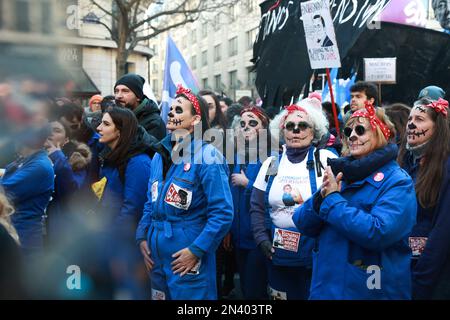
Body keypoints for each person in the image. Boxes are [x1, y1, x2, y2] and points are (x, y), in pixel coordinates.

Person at [293, 101, 416, 299]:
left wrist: (332, 200)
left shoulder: (398, 182)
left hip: (368, 289)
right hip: (325, 287)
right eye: (348, 130)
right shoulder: (341, 173)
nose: (352, 136)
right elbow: (302, 222)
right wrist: (320, 197)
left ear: (381, 134)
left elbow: (378, 233)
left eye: (360, 130)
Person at [136, 85, 234, 300]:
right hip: (156, 255)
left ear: (196, 120)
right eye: (170, 109)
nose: (171, 113)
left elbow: (223, 213)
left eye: (179, 110)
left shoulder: (208, 157)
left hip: (186, 252)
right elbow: (150, 201)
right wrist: (142, 237)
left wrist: (197, 250)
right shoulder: (159, 156)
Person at [250, 96, 337, 300]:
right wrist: (261, 238)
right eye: (290, 126)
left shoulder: (327, 160)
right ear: (283, 132)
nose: (296, 131)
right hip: (278, 257)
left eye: (302, 125)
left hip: (317, 256)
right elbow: (256, 205)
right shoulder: (271, 163)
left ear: (313, 131)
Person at [95, 106, 155, 299]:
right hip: (111, 240)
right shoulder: (111, 158)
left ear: (119, 131)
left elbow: (132, 209)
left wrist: (111, 241)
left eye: (105, 124)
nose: (98, 128)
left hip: (128, 245)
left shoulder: (138, 162)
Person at [398, 97, 450, 299]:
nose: (411, 123)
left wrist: (420, 281)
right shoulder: (403, 164)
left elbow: (443, 233)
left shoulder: (445, 168)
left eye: (420, 119)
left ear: (438, 127)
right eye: (410, 118)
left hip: (431, 278)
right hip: (401, 269)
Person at [229, 106, 272, 299]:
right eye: (243, 123)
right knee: (246, 290)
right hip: (238, 237)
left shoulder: (273, 157)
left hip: (258, 238)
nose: (246, 127)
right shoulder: (237, 155)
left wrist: (248, 183)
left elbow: (273, 195)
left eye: (252, 123)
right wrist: (228, 230)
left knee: (256, 292)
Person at [0, 125, 54, 257]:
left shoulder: (40, 166)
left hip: (23, 241)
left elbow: (3, 191)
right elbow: (6, 172)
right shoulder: (26, 160)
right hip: (15, 235)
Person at [44, 120, 92, 244]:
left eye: (57, 130)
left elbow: (69, 191)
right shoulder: (29, 155)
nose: (51, 134)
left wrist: (57, 156)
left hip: (58, 225)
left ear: (66, 140)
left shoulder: (76, 162)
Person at [114, 73, 166, 141]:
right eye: (116, 91)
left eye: (125, 91)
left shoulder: (154, 122)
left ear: (138, 97)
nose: (118, 96)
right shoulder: (114, 116)